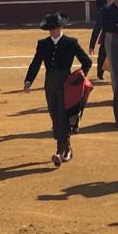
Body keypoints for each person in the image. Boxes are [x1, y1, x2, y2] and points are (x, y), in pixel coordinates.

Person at [24, 13, 92, 167]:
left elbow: (87, 61)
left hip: (66, 84)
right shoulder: (43, 44)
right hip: (49, 83)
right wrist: (28, 80)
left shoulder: (70, 43)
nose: (52, 32)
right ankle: (64, 148)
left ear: (61, 27)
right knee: (54, 113)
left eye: (55, 28)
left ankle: (62, 150)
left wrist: (79, 78)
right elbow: (35, 63)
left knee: (62, 115)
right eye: (50, 29)